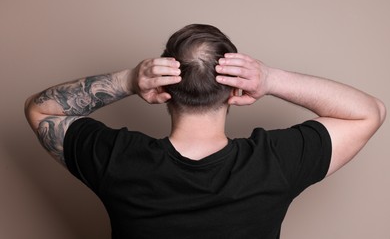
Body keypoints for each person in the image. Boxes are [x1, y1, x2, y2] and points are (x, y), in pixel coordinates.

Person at [25, 24, 386, 239]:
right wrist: (271, 79)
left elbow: (41, 108)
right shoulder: (275, 162)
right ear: (235, 90)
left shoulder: (118, 159)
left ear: (163, 89)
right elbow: (369, 112)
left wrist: (129, 80)